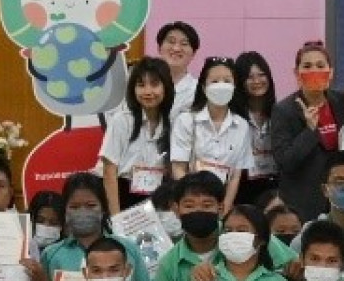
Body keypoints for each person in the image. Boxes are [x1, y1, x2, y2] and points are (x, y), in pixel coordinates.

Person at [268, 42, 344, 221]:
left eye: (320, 66)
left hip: (341, 199)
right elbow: (286, 161)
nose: (314, 70)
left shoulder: (343, 102)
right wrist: (310, 130)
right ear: (297, 73)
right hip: (302, 205)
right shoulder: (284, 110)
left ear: (330, 72)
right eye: (307, 66)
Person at [169, 56, 249, 211]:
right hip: (191, 202)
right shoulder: (186, 120)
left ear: (234, 87)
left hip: (222, 202)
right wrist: (193, 201)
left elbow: (235, 176)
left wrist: (224, 207)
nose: (221, 86)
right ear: (204, 87)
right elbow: (179, 168)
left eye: (227, 81)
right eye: (214, 81)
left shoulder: (242, 125)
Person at [101, 56, 176, 215]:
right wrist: (116, 218)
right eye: (141, 85)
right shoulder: (122, 120)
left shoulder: (174, 122)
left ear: (166, 87)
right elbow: (109, 171)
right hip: (125, 196)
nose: (148, 92)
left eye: (155, 84)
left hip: (159, 200)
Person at [234, 51, 282, 206]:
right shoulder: (234, 117)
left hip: (275, 186)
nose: (257, 81)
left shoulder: (280, 113)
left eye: (261, 75)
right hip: (243, 188)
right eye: (249, 77)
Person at [154, 20, 201, 108]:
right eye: (171, 42)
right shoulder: (144, 86)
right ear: (159, 48)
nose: (176, 49)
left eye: (184, 44)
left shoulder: (199, 91)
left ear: (193, 53)